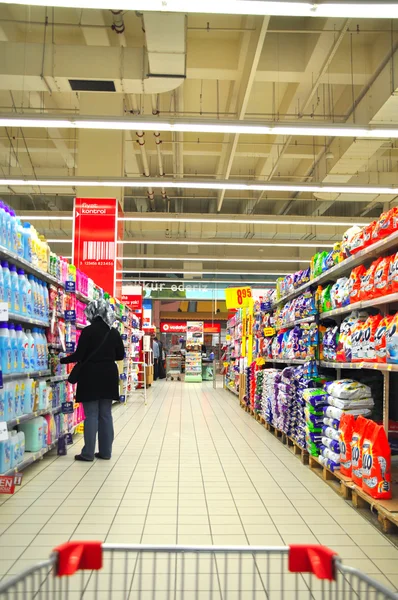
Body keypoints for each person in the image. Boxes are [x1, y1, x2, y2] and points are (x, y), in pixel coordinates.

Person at [60, 299, 125, 462]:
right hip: (109, 374)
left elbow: (80, 355)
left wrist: (62, 360)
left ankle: (88, 453)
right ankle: (106, 452)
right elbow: (120, 356)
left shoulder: (88, 331)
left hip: (90, 375)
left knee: (91, 415)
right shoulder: (114, 332)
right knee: (106, 415)